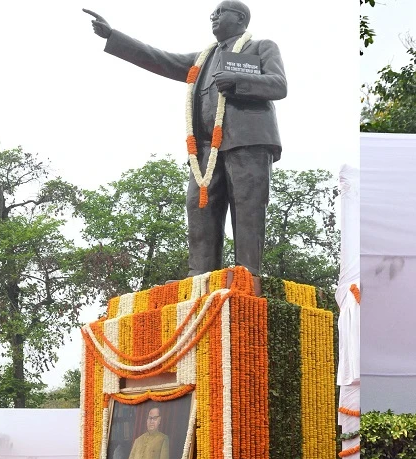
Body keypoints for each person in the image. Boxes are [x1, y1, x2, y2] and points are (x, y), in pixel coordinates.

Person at [86, 2, 286, 282]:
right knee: (199, 203)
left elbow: (278, 85)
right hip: (205, 149)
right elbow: (161, 59)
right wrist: (113, 36)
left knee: (247, 204)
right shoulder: (204, 58)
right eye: (211, 14)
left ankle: (247, 271)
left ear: (240, 17)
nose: (213, 17)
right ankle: (200, 272)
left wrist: (237, 80)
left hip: (248, 141)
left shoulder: (262, 46)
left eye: (219, 12)